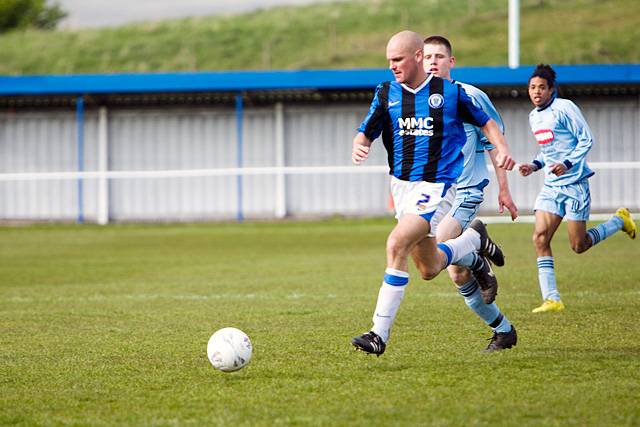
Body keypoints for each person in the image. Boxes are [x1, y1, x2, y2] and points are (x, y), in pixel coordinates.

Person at [350, 30, 515, 356]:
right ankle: (473, 242)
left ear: (416, 57)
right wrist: (361, 142)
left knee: (396, 243)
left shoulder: (451, 94)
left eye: (397, 60)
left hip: (437, 186)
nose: (392, 66)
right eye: (389, 61)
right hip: (403, 188)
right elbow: (368, 127)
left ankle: (378, 334)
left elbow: (487, 124)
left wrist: (502, 149)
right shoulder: (386, 93)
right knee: (428, 267)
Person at [421, 35, 518, 351]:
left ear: (452, 62)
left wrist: (504, 189)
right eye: (428, 57)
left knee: (443, 243)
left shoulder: (470, 97)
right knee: (453, 271)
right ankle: (503, 330)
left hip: (466, 189)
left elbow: (493, 142)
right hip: (435, 194)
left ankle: (477, 246)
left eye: (440, 56)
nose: (433, 61)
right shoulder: (417, 102)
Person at [519, 64, 637, 313]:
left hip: (574, 185)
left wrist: (568, 163)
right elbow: (548, 150)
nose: (536, 92)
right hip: (551, 186)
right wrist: (534, 165)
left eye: (542, 87)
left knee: (578, 245)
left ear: (552, 90)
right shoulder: (534, 116)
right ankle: (552, 299)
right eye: (532, 87)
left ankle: (618, 221)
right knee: (540, 238)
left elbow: (586, 139)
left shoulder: (565, 108)